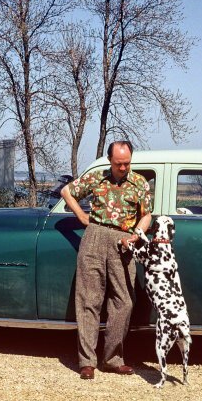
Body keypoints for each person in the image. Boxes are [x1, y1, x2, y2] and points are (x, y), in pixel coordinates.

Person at [61, 140, 152, 380]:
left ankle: (113, 360)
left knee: (124, 302)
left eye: (127, 163)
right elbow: (66, 192)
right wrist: (81, 215)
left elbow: (147, 215)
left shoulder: (140, 183)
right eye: (118, 163)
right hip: (94, 237)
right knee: (89, 300)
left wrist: (135, 236)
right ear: (110, 160)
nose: (123, 168)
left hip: (124, 242)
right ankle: (87, 362)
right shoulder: (96, 178)